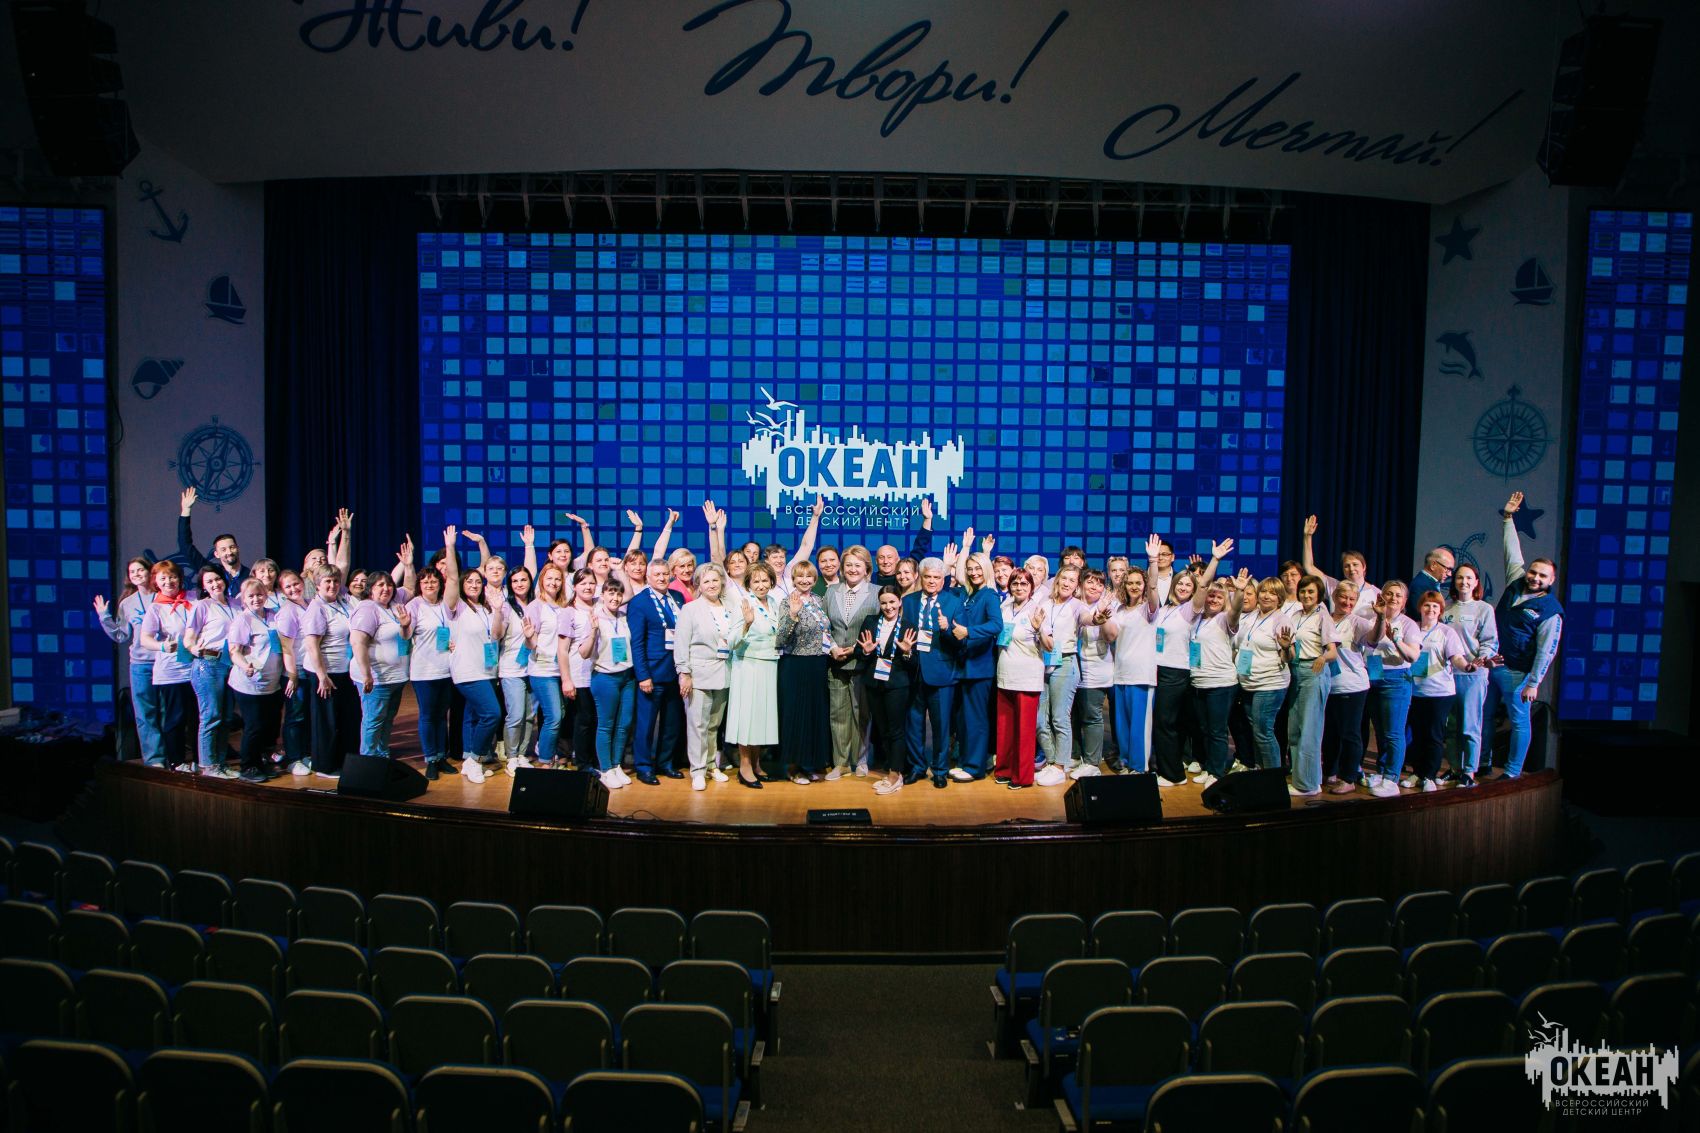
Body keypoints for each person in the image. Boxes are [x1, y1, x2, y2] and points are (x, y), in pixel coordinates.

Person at [1483, 490, 1563, 780]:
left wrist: (1534, 682)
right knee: (1484, 717)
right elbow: (1512, 551)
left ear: (1551, 581)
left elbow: (1547, 650)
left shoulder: (1550, 610)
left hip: (1518, 675)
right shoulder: (1516, 582)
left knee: (1519, 723)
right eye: (1533, 572)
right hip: (1492, 665)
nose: (1535, 578)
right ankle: (1482, 763)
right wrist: (1507, 518)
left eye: (1542, 576)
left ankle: (1512, 773)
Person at [1151, 538, 1230, 783]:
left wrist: (1214, 559)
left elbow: (1204, 584)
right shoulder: (1165, 609)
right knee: (1162, 723)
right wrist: (1153, 560)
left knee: (1166, 723)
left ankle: (1173, 774)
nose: (1184, 587)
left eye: (1188, 584)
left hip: (1176, 671)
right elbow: (1152, 587)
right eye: (1180, 583)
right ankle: (1167, 768)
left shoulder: (1190, 610)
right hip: (1157, 669)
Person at [442, 527, 506, 784]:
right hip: (468, 671)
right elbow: (452, 578)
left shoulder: (485, 608)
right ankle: (475, 759)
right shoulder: (456, 606)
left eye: (478, 581)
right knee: (492, 713)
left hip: (487, 670)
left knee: (476, 716)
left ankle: (471, 757)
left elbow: (496, 635)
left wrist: (498, 611)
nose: (474, 584)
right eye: (469, 581)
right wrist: (450, 547)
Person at [902, 557, 965, 788]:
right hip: (913, 671)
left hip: (942, 672)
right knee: (913, 724)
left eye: (936, 577)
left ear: (943, 579)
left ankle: (939, 770)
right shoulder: (908, 601)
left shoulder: (954, 602)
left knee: (941, 726)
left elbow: (961, 642)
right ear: (920, 577)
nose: (931, 581)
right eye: (927, 576)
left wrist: (947, 630)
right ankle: (917, 767)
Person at [1403, 590, 1474, 792]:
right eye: (1427, 605)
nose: (1431, 609)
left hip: (1439, 692)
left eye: (1435, 606)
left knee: (1434, 735)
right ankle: (1417, 772)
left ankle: (1430, 776)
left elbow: (1457, 658)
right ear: (1420, 607)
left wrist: (1467, 666)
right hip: (1414, 691)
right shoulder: (1411, 628)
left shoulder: (1446, 632)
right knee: (1417, 734)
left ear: (1441, 610)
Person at [226, 578, 294, 782]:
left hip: (272, 683)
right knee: (254, 726)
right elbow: (234, 651)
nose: (256, 599)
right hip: (249, 684)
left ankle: (261, 762)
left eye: (259, 594)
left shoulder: (273, 615)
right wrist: (244, 665)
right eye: (251, 596)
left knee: (268, 727)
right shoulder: (243, 620)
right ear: (244, 599)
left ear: (265, 595)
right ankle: (248, 767)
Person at [675, 562, 735, 791]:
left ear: (722, 582)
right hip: (698, 674)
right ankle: (698, 770)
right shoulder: (690, 609)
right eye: (706, 581)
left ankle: (711, 765)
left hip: (724, 672)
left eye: (715, 580)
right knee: (698, 725)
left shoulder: (730, 607)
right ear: (699, 585)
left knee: (714, 725)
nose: (711, 585)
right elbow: (681, 644)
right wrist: (684, 673)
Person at [95, 557, 159, 763]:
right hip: (140, 664)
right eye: (132, 572)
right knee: (145, 714)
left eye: (140, 570)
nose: (137, 574)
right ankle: (154, 759)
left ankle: (173, 757)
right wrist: (105, 617)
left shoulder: (163, 596)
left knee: (168, 712)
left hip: (165, 663)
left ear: (150, 572)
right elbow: (121, 635)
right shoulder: (127, 603)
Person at [824, 545, 880, 779]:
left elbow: (882, 628)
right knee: (838, 714)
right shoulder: (831, 592)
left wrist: (858, 650)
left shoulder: (877, 593)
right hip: (836, 663)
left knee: (862, 714)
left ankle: (861, 760)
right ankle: (841, 763)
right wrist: (833, 648)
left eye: (858, 565)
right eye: (849, 565)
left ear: (867, 568)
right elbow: (823, 625)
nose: (853, 569)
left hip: (862, 665)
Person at [775, 560, 834, 784]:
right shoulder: (786, 602)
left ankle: (809, 763)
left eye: (809, 576)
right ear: (793, 579)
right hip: (795, 664)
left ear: (814, 579)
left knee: (813, 715)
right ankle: (793, 767)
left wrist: (835, 648)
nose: (804, 580)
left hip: (818, 664)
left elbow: (825, 632)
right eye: (800, 576)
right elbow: (780, 639)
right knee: (796, 715)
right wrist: (793, 614)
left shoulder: (819, 600)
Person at [1190, 572, 1251, 787]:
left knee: (1217, 730)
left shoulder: (1225, 619)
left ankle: (1216, 772)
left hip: (1221, 683)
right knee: (1205, 729)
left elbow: (1236, 611)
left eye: (1219, 597)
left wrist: (1240, 591)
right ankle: (1209, 767)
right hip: (1199, 681)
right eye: (1211, 596)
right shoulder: (1197, 619)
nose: (1214, 600)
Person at [726, 561, 782, 788]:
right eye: (755, 581)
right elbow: (731, 641)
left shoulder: (774, 603)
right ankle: (745, 766)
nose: (760, 585)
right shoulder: (743, 604)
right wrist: (747, 625)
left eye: (764, 580)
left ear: (771, 582)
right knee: (747, 717)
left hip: (770, 664)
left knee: (761, 717)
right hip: (748, 666)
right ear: (748, 584)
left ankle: (757, 763)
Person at [301, 565, 361, 780]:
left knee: (347, 718)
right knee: (326, 721)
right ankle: (324, 765)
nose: (332, 585)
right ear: (317, 585)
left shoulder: (342, 602)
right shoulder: (317, 608)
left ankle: (345, 761)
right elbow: (312, 645)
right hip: (326, 672)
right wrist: (322, 676)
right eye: (327, 581)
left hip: (345, 671)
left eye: (335, 581)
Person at [948, 549, 1003, 781]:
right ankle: (965, 762)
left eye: (978, 568)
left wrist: (969, 632)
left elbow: (996, 625)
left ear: (986, 569)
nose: (973, 572)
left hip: (980, 667)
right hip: (963, 666)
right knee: (963, 719)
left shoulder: (989, 595)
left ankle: (975, 768)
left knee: (977, 719)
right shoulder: (968, 594)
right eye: (970, 569)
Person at [629, 560, 686, 785]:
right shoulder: (639, 602)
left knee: (672, 723)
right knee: (646, 724)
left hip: (676, 672)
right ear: (648, 577)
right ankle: (643, 767)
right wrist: (643, 675)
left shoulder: (677, 598)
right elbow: (637, 643)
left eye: (665, 574)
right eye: (657, 575)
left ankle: (666, 763)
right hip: (652, 674)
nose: (662, 578)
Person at [1443, 564, 1499, 788]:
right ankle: (1455, 768)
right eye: (1459, 578)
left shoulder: (1484, 609)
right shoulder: (1445, 608)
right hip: (1448, 675)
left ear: (1476, 582)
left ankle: (1469, 771)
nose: (1463, 582)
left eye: (1468, 578)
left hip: (1473, 675)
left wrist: (1480, 661)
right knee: (1451, 726)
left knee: (1470, 725)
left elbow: (1490, 641)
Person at [1101, 555, 1158, 774]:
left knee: (1139, 727)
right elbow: (1110, 636)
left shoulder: (1149, 609)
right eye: (1130, 583)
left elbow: (1153, 588)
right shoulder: (1121, 610)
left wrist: (1153, 561)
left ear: (1144, 585)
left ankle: (1139, 767)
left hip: (1141, 676)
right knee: (1123, 725)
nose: (1134, 586)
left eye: (1138, 583)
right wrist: (1104, 613)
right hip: (1121, 674)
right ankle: (1125, 762)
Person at [1364, 581, 1421, 798]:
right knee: (1379, 730)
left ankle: (1392, 778)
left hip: (1396, 678)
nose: (1393, 598)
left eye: (1398, 595)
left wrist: (1396, 639)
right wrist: (1381, 618)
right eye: (1389, 593)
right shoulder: (1373, 619)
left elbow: (1413, 656)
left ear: (1404, 602)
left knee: (1393, 732)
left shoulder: (1409, 625)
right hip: (1374, 674)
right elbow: (1371, 642)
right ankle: (1382, 771)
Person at [859, 584, 918, 794]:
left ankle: (895, 775)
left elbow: (915, 664)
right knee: (882, 729)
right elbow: (859, 651)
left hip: (897, 685)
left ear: (900, 602)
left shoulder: (908, 626)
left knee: (896, 730)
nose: (888, 607)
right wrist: (866, 652)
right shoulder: (870, 621)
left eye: (892, 602)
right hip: (874, 682)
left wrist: (908, 652)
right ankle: (892, 770)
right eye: (884, 603)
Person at [137, 560, 196, 770]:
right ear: (156, 582)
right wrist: (162, 646)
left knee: (197, 718)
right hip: (171, 672)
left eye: (172, 577)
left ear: (180, 578)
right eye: (163, 578)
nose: (168, 581)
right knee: (176, 718)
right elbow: (145, 639)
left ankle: (202, 761)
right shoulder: (156, 608)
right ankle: (177, 762)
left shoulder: (193, 599)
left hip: (197, 669)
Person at [1234, 577, 1296, 772]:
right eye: (1263, 591)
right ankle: (1261, 773)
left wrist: (1285, 647)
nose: (1267, 596)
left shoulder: (1281, 620)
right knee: (1257, 732)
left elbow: (1289, 657)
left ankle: (1273, 779)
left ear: (1280, 598)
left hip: (1270, 684)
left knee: (1263, 733)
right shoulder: (1253, 616)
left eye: (1273, 593)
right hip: (1249, 683)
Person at [1284, 576, 1338, 797]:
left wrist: (1322, 658)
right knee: (1295, 729)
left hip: (1313, 671)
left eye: (1311, 592)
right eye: (1303, 591)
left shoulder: (1323, 616)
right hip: (1295, 671)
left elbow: (1333, 651)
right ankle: (1302, 778)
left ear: (1319, 595)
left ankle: (1308, 784)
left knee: (1310, 729)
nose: (1306, 595)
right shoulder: (1295, 615)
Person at [350, 572, 413, 759]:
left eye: (389, 585)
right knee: (374, 721)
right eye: (380, 585)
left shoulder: (393, 606)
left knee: (387, 719)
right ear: (370, 589)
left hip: (396, 677)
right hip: (377, 680)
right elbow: (358, 642)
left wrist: (407, 565)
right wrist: (366, 674)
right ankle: (368, 762)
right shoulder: (368, 608)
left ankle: (382, 756)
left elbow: (409, 588)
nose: (386, 589)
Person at [184, 565, 238, 776]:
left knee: (226, 718)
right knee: (211, 716)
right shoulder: (202, 606)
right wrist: (195, 649)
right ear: (204, 586)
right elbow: (188, 639)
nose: (215, 584)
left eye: (217, 579)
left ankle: (221, 763)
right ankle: (208, 765)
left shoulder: (236, 604)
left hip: (230, 665)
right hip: (208, 664)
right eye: (209, 582)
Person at [994, 569, 1046, 790]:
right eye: (1015, 583)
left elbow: (1049, 645)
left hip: (1028, 675)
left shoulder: (1038, 609)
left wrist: (1038, 629)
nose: (1019, 587)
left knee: (1024, 730)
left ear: (1031, 587)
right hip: (1005, 673)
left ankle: (1022, 776)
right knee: (1005, 728)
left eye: (1024, 584)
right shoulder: (1004, 607)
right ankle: (1004, 770)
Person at [405, 566, 458, 779]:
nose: (430, 584)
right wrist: (404, 626)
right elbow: (406, 635)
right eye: (425, 581)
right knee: (427, 716)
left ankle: (441, 756)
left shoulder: (446, 604)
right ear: (420, 584)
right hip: (424, 671)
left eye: (434, 581)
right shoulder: (414, 605)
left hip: (447, 670)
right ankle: (431, 759)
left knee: (441, 715)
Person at [1032, 565, 1082, 786]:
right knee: (1040, 720)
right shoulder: (1045, 604)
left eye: (1072, 580)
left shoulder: (1077, 606)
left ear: (1076, 585)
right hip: (1043, 663)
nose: (1067, 583)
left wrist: (1099, 616)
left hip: (1065, 662)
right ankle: (1052, 762)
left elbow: (1089, 618)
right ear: (1057, 579)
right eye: (1064, 578)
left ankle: (1061, 766)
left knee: (1060, 718)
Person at [1323, 580, 1375, 794]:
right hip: (1327, 686)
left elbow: (1374, 638)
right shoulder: (1323, 618)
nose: (1347, 602)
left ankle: (1348, 777)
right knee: (1330, 732)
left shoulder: (1358, 622)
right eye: (1343, 597)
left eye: (1352, 599)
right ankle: (1330, 771)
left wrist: (1381, 618)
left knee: (1350, 733)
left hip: (1352, 686)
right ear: (1335, 597)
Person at [584, 578, 636, 791]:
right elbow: (583, 653)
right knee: (606, 724)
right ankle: (605, 769)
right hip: (605, 677)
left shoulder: (623, 617)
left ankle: (616, 765)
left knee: (624, 724)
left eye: (618, 594)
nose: (615, 598)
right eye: (611, 593)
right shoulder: (594, 618)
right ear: (602, 595)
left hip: (627, 677)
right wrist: (593, 631)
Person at [523, 563, 574, 772]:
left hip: (561, 670)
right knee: (553, 716)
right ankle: (544, 761)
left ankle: (550, 756)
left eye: (558, 579)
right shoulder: (536, 606)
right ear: (542, 580)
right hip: (542, 670)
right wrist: (529, 638)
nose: (554, 582)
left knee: (559, 715)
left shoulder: (564, 607)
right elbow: (531, 643)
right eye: (549, 578)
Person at [1076, 568, 1124, 777]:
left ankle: (1092, 762)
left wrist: (1102, 616)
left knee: (1092, 716)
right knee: (1074, 716)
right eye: (1090, 582)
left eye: (1099, 583)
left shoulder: (1109, 607)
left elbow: (1111, 636)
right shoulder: (1074, 604)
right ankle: (1075, 756)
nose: (1094, 586)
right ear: (1081, 584)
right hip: (1072, 668)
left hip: (1096, 669)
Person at [497, 566, 538, 770]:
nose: (520, 584)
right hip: (511, 668)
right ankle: (511, 756)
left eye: (523, 580)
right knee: (515, 715)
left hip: (535, 667)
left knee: (529, 716)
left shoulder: (536, 605)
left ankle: (522, 754)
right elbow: (497, 635)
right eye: (515, 581)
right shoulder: (506, 607)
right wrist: (497, 612)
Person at [274, 569, 314, 776]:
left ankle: (305, 753)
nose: (293, 589)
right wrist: (292, 675)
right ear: (282, 591)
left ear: (302, 582)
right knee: (295, 716)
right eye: (287, 587)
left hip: (310, 668)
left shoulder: (310, 604)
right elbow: (286, 648)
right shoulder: (288, 611)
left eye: (295, 584)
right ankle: (293, 758)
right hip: (296, 670)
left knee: (307, 715)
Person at [1301, 514, 1381, 614]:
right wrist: (1307, 536)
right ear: (1343, 570)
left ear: (1364, 567)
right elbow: (1309, 567)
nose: (1351, 569)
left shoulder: (1376, 593)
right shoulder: (1334, 586)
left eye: (1355, 564)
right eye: (1347, 566)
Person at [562, 568, 601, 769]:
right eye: (583, 583)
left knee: (596, 720)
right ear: (575, 586)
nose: (588, 587)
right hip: (579, 675)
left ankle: (595, 760)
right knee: (584, 720)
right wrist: (566, 679)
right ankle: (583, 763)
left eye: (591, 583)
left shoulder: (600, 606)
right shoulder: (569, 612)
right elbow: (562, 650)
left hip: (599, 673)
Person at [177, 486, 250, 588]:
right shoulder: (211, 572)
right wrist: (186, 510)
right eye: (223, 549)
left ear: (238, 549)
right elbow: (186, 546)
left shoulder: (251, 576)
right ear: (216, 554)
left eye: (232, 547)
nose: (229, 552)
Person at [873, 497, 936, 586]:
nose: (885, 561)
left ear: (898, 560)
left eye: (889, 557)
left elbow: (920, 547)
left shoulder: (904, 577)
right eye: (881, 557)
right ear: (876, 561)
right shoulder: (869, 579)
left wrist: (927, 519)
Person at [1407, 547, 1456, 620]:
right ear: (1433, 565)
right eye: (1448, 569)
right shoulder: (1420, 586)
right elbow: (1421, 618)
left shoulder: (1429, 583)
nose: (1450, 574)